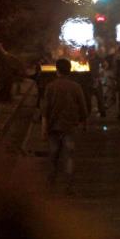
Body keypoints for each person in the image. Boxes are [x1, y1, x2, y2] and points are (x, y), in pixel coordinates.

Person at [41, 58, 88, 193]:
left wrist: (43, 129)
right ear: (69, 70)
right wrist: (84, 123)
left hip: (53, 127)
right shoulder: (76, 87)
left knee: (53, 155)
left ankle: (51, 183)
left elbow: (45, 110)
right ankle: (68, 186)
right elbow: (83, 107)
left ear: (57, 71)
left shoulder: (50, 87)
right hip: (70, 127)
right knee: (69, 157)